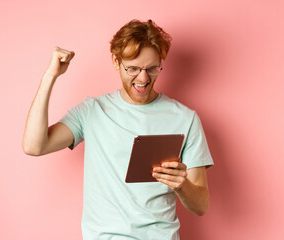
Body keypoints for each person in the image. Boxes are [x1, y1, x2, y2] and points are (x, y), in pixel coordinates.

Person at [22, 19, 213, 239]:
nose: (143, 78)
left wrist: (182, 186)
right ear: (115, 61)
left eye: (152, 69)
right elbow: (33, 146)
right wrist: (50, 76)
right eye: (133, 68)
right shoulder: (92, 111)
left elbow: (201, 206)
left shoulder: (185, 119)